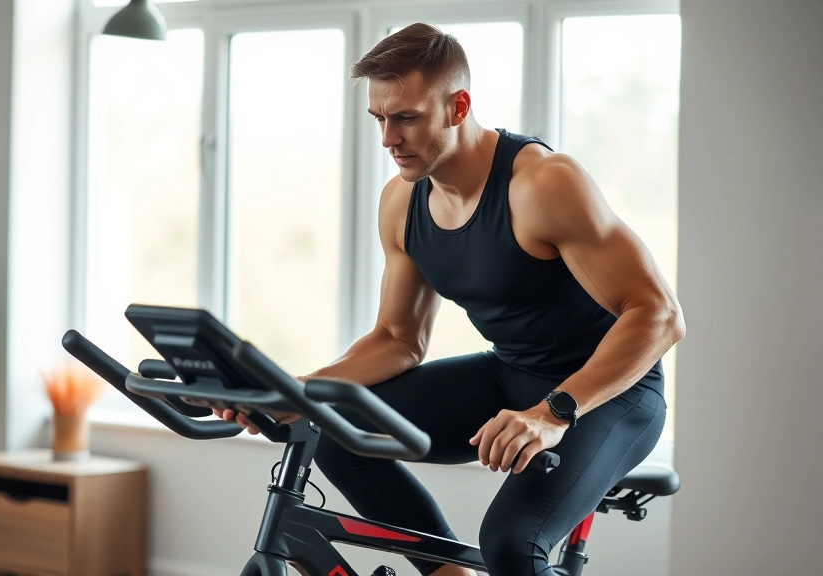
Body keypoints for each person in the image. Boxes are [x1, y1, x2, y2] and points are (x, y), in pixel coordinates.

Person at [213, 22, 684, 576]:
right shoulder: (401, 202)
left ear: (458, 106)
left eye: (406, 117)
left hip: (608, 397)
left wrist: (554, 411)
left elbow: (659, 315)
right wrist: (299, 392)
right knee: (338, 430)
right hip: (510, 374)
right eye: (379, 119)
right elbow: (396, 339)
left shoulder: (541, 184)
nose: (389, 138)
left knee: (512, 544)